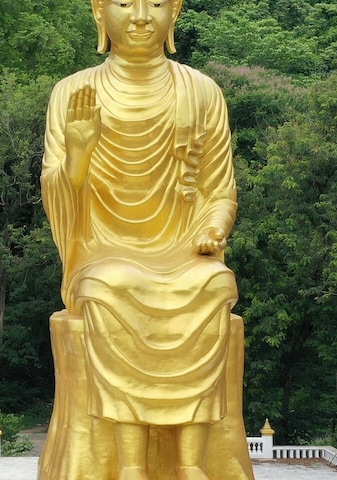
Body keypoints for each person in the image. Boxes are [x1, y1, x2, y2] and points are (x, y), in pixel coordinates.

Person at [37, 1, 254, 479]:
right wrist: (78, 153)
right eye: (124, 2)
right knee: (110, 286)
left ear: (174, 14)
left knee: (217, 284)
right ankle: (131, 465)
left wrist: (213, 228)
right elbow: (58, 194)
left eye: (156, 3)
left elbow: (220, 190)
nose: (140, 16)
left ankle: (191, 464)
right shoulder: (72, 92)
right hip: (103, 251)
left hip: (183, 252)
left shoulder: (201, 91)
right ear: (99, 13)